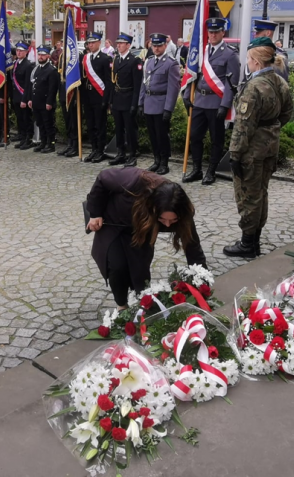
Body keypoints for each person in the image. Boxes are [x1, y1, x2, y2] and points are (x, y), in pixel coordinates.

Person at [85, 168, 207, 309]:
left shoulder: (182, 212)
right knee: (117, 267)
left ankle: (141, 303)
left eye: (172, 221)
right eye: (163, 219)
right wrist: (95, 213)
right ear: (154, 207)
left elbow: (193, 247)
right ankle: (122, 305)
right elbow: (103, 177)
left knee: (140, 270)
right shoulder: (135, 180)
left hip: (142, 228)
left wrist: (202, 284)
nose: (167, 224)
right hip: (114, 222)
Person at [223, 37, 292, 258]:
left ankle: (248, 243)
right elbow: (287, 113)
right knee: (261, 193)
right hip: (270, 146)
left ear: (256, 61)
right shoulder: (280, 81)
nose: (247, 62)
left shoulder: (254, 86)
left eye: (248, 58)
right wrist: (270, 128)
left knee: (248, 196)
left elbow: (243, 125)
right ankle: (254, 239)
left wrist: (234, 154)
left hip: (251, 150)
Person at [182, 18, 240, 185]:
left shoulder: (230, 54)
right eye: (211, 32)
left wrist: (225, 105)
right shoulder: (201, 52)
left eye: (216, 31)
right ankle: (197, 169)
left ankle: (211, 171)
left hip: (216, 103)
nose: (213, 34)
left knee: (216, 139)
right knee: (195, 136)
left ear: (223, 32)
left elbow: (232, 83)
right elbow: (193, 75)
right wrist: (187, 95)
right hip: (199, 100)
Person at [138, 33, 180, 175]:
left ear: (165, 45)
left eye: (159, 45)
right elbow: (144, 84)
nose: (156, 48)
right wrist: (141, 102)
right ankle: (156, 160)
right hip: (149, 103)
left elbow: (173, 88)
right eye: (154, 45)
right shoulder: (149, 61)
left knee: (162, 135)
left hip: (161, 104)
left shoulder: (171, 63)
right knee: (153, 135)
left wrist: (169, 108)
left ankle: (164, 162)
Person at [108, 32, 143, 167]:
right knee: (119, 128)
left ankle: (132, 154)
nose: (119, 45)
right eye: (118, 43)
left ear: (128, 45)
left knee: (130, 129)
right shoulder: (116, 60)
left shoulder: (135, 61)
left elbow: (137, 85)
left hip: (128, 99)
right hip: (117, 98)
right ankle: (120, 153)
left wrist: (135, 104)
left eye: (122, 43)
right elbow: (112, 83)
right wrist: (111, 101)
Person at [81, 32, 113, 163]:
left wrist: (106, 100)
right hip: (88, 96)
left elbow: (108, 81)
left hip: (99, 97)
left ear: (99, 43)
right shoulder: (85, 58)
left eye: (93, 42)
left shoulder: (105, 59)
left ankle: (100, 150)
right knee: (90, 124)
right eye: (89, 43)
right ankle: (93, 149)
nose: (90, 45)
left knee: (100, 125)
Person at [26, 46, 60, 153]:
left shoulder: (51, 70)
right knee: (40, 123)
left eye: (43, 55)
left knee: (48, 124)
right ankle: (43, 142)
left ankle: (51, 144)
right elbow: (33, 85)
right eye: (39, 55)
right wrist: (31, 99)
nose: (40, 57)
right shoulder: (37, 69)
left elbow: (52, 89)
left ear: (48, 56)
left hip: (46, 102)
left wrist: (49, 102)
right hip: (37, 101)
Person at [11, 42, 34, 148]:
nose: (19, 52)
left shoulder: (28, 65)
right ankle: (22, 137)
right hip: (16, 96)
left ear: (26, 52)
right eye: (17, 50)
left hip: (23, 96)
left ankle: (28, 139)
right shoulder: (15, 63)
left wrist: (25, 99)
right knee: (20, 118)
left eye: (21, 51)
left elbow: (28, 84)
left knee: (26, 119)